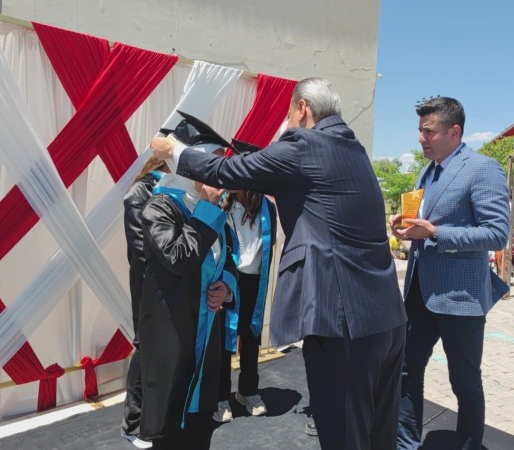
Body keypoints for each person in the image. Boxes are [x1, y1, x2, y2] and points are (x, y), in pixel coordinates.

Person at [151, 77, 407, 450]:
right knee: (379, 435)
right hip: (385, 318)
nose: (287, 123)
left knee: (344, 436)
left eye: (288, 113)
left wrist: (174, 150)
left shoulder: (305, 143)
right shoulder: (352, 149)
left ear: (302, 108)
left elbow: (228, 172)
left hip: (343, 323)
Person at [390, 96, 509, 450]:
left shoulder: (483, 168)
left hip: (460, 298)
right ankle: (405, 444)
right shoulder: (426, 172)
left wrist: (435, 233)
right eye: (420, 130)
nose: (421, 138)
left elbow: (496, 233)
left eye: (429, 131)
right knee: (406, 371)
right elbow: (425, 222)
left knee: (465, 383)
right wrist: (408, 227)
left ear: (454, 132)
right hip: (418, 293)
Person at [139, 120, 239, 449]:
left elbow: (227, 261)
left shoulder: (211, 212)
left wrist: (226, 287)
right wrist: (208, 209)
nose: (217, 178)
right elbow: (181, 258)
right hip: (174, 338)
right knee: (171, 431)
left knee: (199, 428)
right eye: (209, 167)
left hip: (205, 339)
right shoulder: (160, 208)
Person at [214, 188, 277, 423]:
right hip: (230, 278)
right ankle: (220, 396)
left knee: (251, 337)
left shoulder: (267, 207)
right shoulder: (222, 203)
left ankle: (248, 391)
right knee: (224, 340)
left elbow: (269, 243)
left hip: (255, 280)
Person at [121, 156, 169, 448]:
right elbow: (140, 249)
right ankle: (133, 423)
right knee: (144, 346)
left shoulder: (171, 190)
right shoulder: (139, 193)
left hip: (167, 285)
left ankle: (153, 418)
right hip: (148, 284)